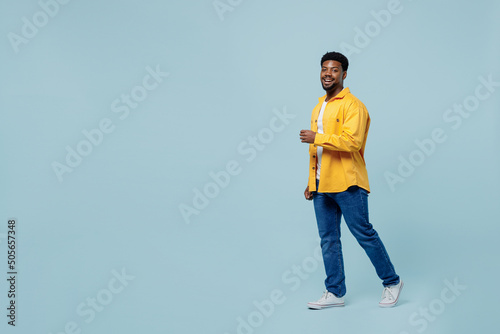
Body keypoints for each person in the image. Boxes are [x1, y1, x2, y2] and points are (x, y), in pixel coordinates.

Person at [299, 51, 402, 309]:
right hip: (322, 185)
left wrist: (317, 137)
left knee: (364, 234)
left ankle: (392, 282)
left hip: (348, 183)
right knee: (328, 240)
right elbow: (318, 152)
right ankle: (335, 292)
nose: (327, 73)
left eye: (334, 70)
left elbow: (352, 142)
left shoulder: (353, 105)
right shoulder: (319, 105)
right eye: (324, 68)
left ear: (344, 74)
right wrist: (312, 181)